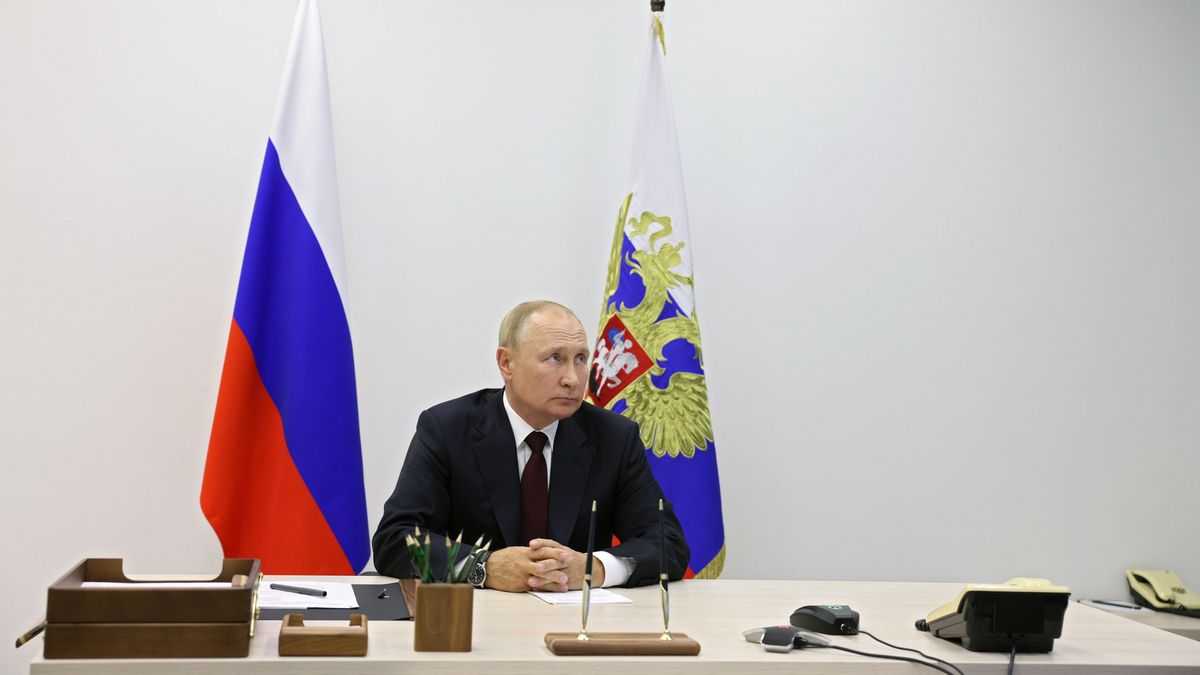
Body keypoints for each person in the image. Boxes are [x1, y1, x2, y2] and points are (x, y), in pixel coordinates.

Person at [372, 300, 689, 591]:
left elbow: (668, 543)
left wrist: (594, 568)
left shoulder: (613, 437)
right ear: (506, 363)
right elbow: (395, 539)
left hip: (576, 621)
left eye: (580, 359)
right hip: (476, 619)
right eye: (555, 358)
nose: (573, 379)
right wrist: (484, 567)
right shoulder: (448, 429)